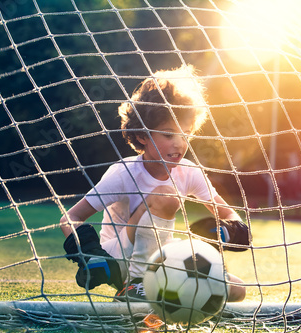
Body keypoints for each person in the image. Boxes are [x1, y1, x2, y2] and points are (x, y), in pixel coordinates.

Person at [60, 65, 249, 302]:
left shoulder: (189, 172)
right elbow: (70, 218)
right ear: (142, 135)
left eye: (185, 134)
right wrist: (90, 255)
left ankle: (162, 291)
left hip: (160, 254)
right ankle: (137, 284)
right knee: (165, 195)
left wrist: (230, 231)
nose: (179, 144)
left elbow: (228, 214)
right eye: (168, 135)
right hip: (119, 258)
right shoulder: (124, 173)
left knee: (237, 289)